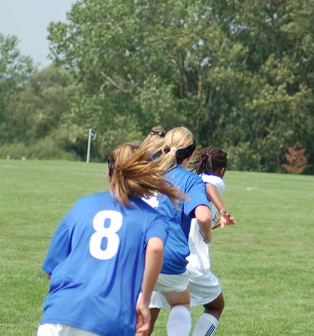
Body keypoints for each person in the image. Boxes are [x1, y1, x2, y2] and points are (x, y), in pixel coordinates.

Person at [37, 143, 183, 336]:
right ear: (146, 177)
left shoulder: (83, 205)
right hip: (108, 319)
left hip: (58, 314)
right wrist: (145, 300)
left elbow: (51, 270)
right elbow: (155, 247)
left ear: (109, 173)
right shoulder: (152, 218)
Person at [151, 146, 235, 336]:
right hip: (193, 263)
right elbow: (209, 185)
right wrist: (223, 210)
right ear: (222, 170)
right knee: (215, 306)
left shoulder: (186, 180)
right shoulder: (210, 181)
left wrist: (214, 223)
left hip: (166, 259)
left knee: (151, 317)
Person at [145, 127, 214, 336]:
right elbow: (204, 216)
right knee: (181, 304)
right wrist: (207, 235)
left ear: (164, 148)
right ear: (191, 154)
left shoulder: (146, 173)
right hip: (168, 256)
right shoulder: (190, 180)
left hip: (136, 254)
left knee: (140, 317)